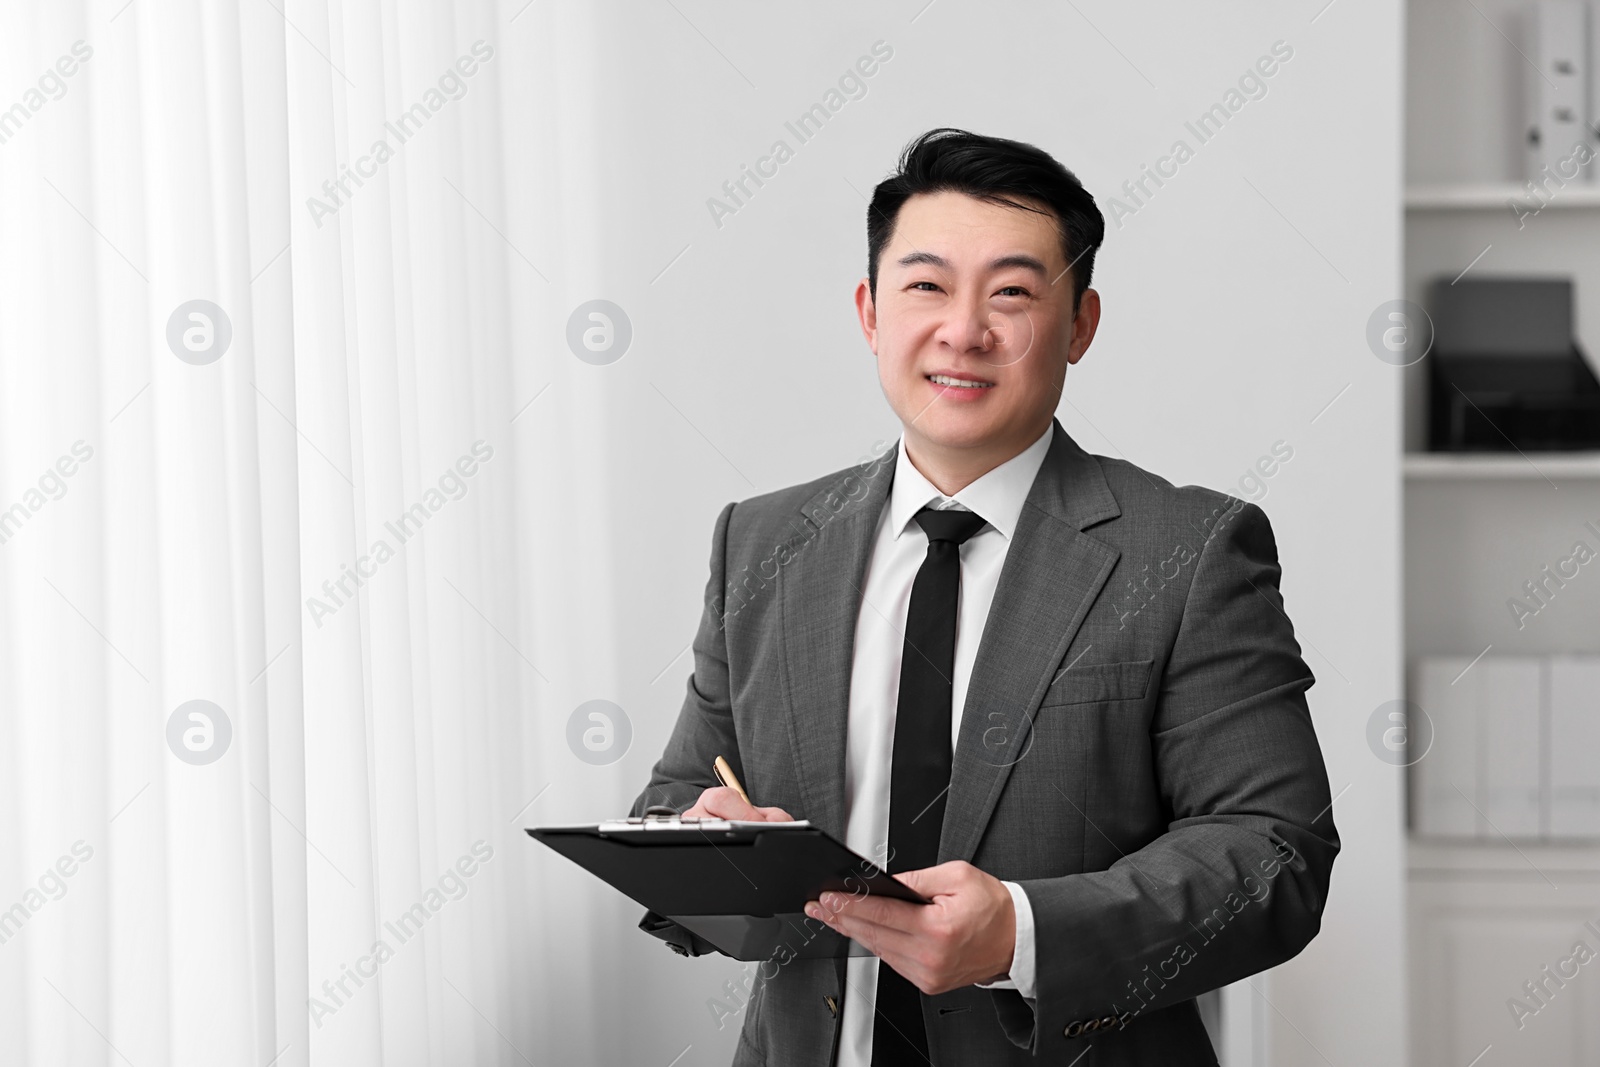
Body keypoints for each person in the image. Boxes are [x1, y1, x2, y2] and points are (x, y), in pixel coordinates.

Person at [630, 127, 1339, 1066]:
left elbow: (1274, 852)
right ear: (871, 312)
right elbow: (681, 795)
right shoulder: (763, 543)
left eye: (1012, 292)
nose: (963, 330)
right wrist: (703, 844)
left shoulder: (1190, 549)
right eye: (926, 285)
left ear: (1081, 323)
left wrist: (1023, 929)